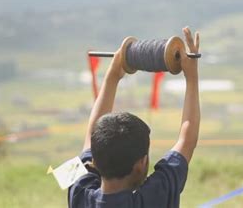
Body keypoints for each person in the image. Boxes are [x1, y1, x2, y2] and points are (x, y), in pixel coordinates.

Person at [68, 27, 200, 208]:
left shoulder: (79, 192)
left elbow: (187, 142)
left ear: (95, 162)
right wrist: (192, 77)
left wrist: (112, 76)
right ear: (141, 163)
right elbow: (187, 142)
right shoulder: (155, 197)